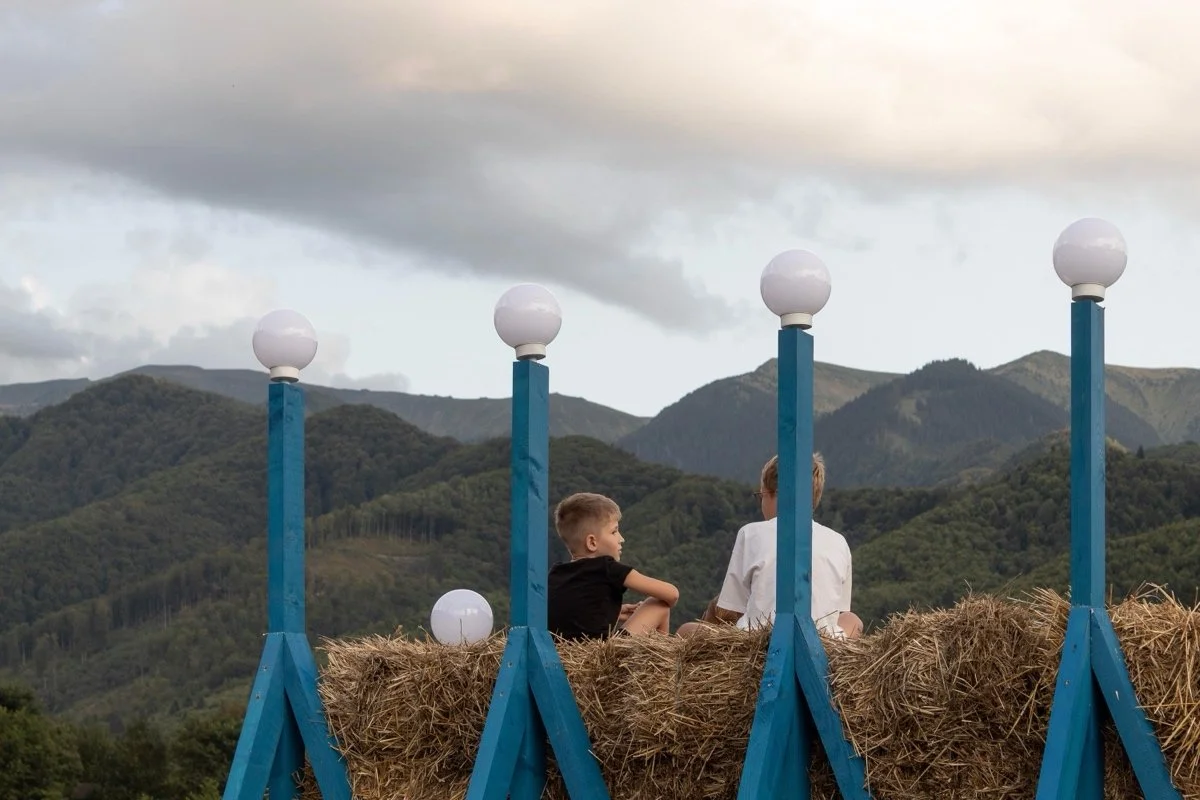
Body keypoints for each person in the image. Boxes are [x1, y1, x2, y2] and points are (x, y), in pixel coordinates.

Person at [678, 453, 861, 638]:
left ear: (776, 493)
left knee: (686, 630)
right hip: (822, 642)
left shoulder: (750, 533)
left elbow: (730, 609)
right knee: (852, 620)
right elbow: (838, 612)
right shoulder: (839, 542)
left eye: (761, 496)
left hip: (759, 641)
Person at [547, 491, 680, 640]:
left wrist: (615, 612)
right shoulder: (606, 567)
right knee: (658, 605)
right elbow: (672, 594)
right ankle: (660, 655)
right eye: (614, 532)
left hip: (565, 652)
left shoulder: (555, 573)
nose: (621, 538)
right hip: (606, 653)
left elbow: (572, 616)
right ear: (592, 542)